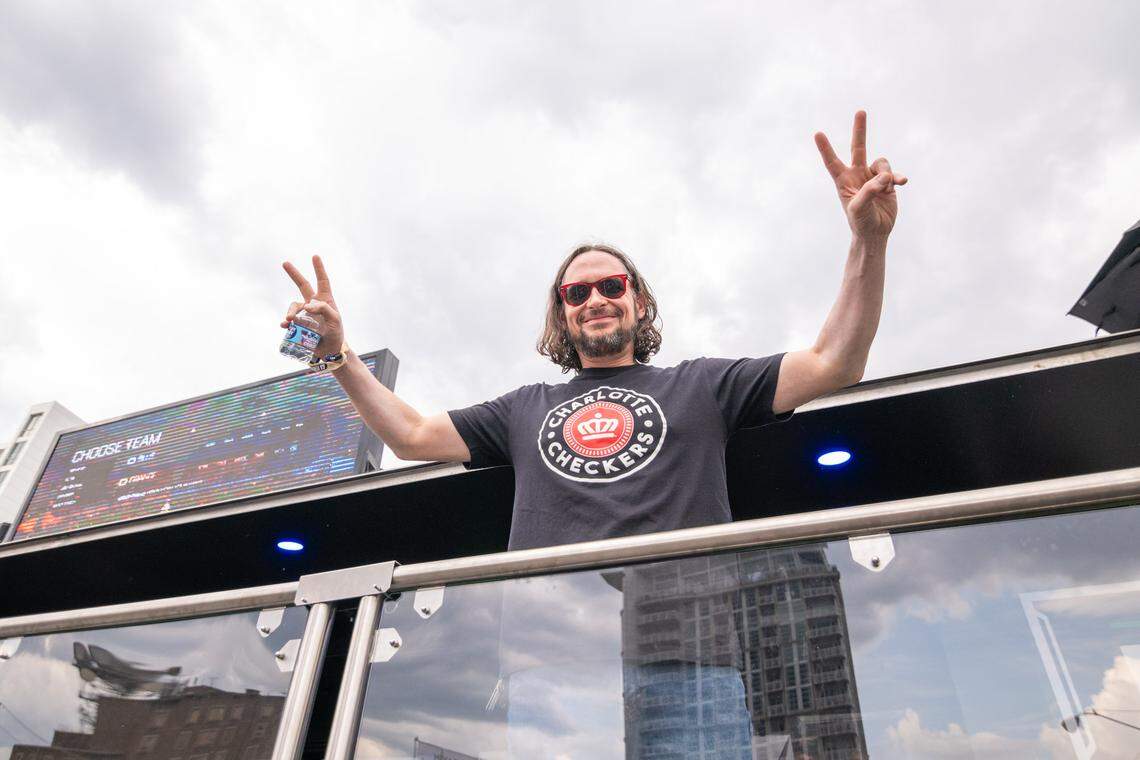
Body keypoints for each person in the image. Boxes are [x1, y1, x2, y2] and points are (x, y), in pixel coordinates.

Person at [281, 110, 905, 758]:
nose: (595, 298)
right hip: (555, 675)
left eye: (612, 285)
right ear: (562, 314)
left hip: (692, 667)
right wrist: (337, 354)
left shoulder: (703, 386)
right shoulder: (523, 409)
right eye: (577, 293)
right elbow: (410, 434)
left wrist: (869, 241)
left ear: (639, 303)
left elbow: (835, 362)